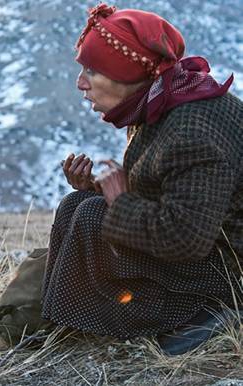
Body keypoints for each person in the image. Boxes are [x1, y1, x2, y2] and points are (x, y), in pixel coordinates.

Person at [41, 3, 242, 355]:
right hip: (206, 250)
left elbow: (184, 238)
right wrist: (97, 189)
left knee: (92, 217)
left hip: (227, 272)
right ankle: (64, 321)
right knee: (78, 204)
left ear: (127, 72)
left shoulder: (191, 131)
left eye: (93, 70)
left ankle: (200, 313)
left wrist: (119, 200)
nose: (81, 83)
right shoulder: (160, 100)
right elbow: (170, 189)